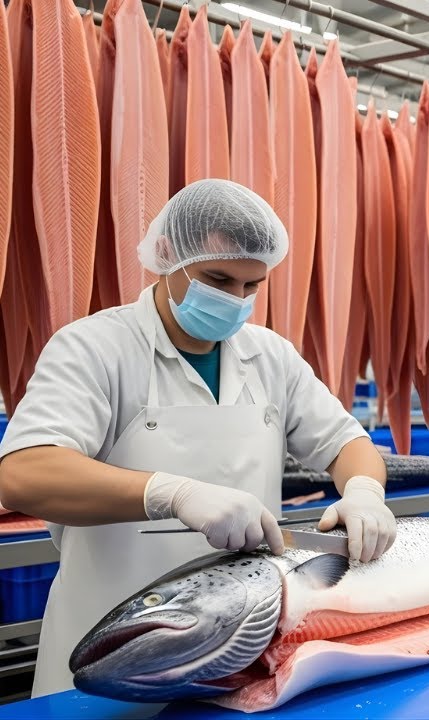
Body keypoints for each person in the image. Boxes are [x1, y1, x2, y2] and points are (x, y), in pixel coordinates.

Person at [0, 180, 398, 697]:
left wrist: (364, 492)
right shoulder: (95, 347)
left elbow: (347, 443)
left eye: (251, 286)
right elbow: (23, 475)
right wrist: (174, 494)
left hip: (240, 650)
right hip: (111, 648)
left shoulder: (269, 355)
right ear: (167, 255)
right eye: (218, 279)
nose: (235, 301)